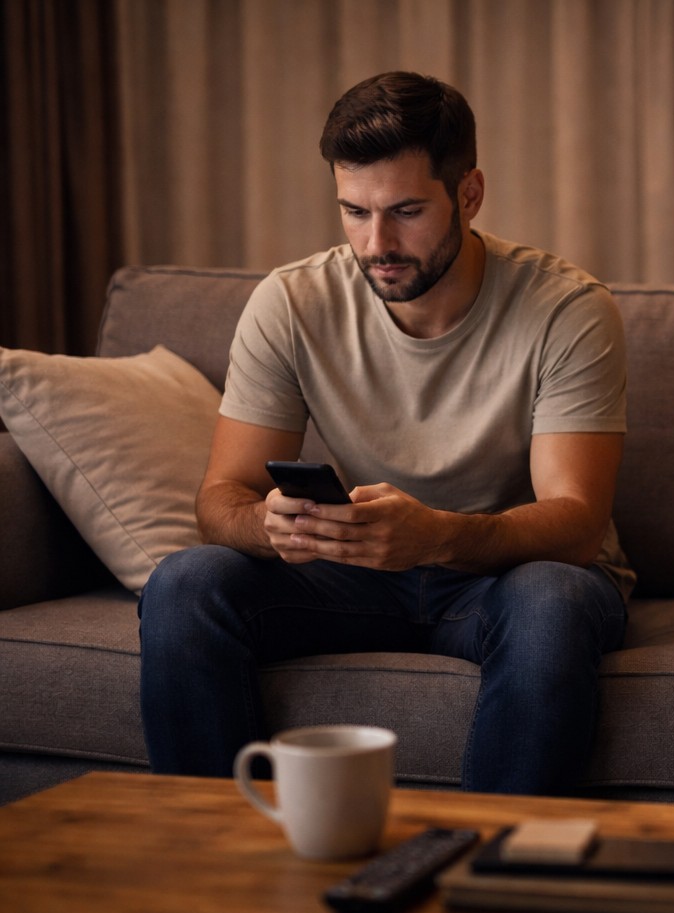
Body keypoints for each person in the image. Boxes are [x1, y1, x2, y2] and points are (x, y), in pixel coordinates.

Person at [138, 71, 632, 795]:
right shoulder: (292, 303)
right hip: (356, 575)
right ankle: (219, 862)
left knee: (553, 605)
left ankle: (494, 882)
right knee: (185, 582)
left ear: (468, 194)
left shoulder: (568, 310)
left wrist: (436, 536)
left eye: (405, 211)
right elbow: (220, 498)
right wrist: (269, 525)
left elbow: (578, 525)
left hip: (506, 579)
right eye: (354, 212)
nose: (378, 243)